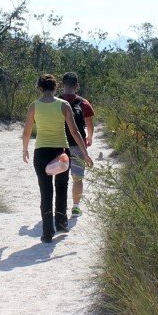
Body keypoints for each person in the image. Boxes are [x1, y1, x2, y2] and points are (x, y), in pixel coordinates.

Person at [22, 73, 94, 242]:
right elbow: (75, 132)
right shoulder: (64, 105)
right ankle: (61, 223)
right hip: (61, 151)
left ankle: (47, 233)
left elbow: (27, 130)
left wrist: (25, 149)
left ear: (40, 89)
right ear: (55, 87)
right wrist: (85, 154)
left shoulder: (34, 106)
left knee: (45, 191)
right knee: (61, 187)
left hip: (41, 152)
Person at [59, 72, 95, 217]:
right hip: (78, 145)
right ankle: (75, 207)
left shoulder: (56, 101)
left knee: (61, 177)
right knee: (77, 177)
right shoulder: (83, 103)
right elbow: (89, 124)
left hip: (59, 145)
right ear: (77, 86)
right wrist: (89, 138)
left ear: (62, 85)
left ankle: (60, 208)